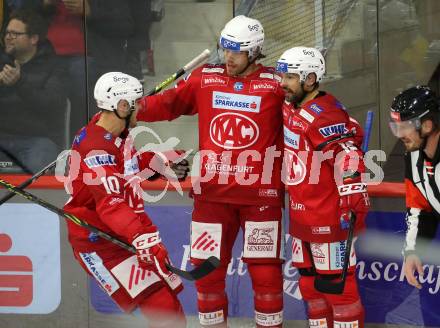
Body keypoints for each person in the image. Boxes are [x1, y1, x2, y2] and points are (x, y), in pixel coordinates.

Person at [137, 15, 286, 328]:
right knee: (206, 271)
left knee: (266, 274)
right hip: (212, 195)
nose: (228, 58)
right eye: (225, 49)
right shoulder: (205, 78)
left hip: (261, 196)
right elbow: (166, 104)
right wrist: (130, 106)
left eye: (237, 52)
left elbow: (308, 121)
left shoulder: (276, 85)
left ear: (255, 51)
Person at [63, 72, 187, 328]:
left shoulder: (114, 130)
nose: (141, 107)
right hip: (100, 242)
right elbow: (111, 203)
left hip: (119, 233)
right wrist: (142, 239)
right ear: (121, 106)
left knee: (169, 306)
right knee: (163, 311)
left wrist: (159, 162)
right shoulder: (96, 148)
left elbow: (126, 166)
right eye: (136, 102)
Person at [276, 47, 370, 328]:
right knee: (309, 286)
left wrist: (352, 199)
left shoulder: (323, 116)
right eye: (282, 75)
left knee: (338, 290)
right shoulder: (291, 104)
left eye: (290, 77)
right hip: (301, 215)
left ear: (310, 79)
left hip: (328, 217)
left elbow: (349, 156)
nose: (283, 83)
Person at [0, 8, 67, 173]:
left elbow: (53, 106)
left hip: (37, 140)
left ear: (33, 39)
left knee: (39, 164)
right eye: (7, 32)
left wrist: (19, 83)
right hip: (2, 137)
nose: (8, 37)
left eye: (15, 34)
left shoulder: (54, 67)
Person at [389, 85, 440, 290]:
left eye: (405, 126)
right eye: (396, 126)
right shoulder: (412, 156)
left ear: (427, 125)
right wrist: (412, 251)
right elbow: (418, 206)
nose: (399, 134)